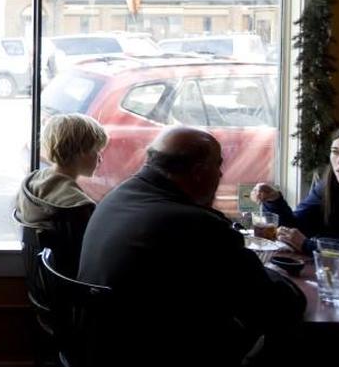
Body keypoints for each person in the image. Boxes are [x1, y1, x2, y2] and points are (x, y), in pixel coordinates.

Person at [77, 127, 305, 367]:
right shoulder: (196, 224)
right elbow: (276, 306)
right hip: (151, 354)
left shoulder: (119, 196)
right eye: (218, 166)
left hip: (103, 345)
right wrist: (281, 276)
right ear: (198, 172)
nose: (220, 174)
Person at [251, 122, 339, 269]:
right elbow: (296, 227)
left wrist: (312, 246)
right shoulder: (327, 188)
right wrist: (274, 201)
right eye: (335, 151)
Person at [15, 113, 107, 279]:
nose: (100, 157)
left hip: (44, 283)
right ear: (79, 152)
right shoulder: (78, 206)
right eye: (96, 150)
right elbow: (89, 258)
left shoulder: (31, 182)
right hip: (71, 287)